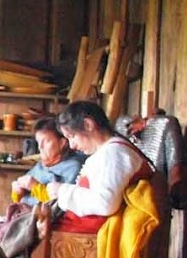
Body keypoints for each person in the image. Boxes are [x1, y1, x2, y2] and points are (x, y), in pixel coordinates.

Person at [0, 117, 85, 258]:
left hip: (41, 221)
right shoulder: (40, 166)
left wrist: (35, 187)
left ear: (63, 143)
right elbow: (18, 200)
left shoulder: (73, 167)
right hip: (21, 214)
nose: (40, 147)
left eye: (46, 141)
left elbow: (62, 203)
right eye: (38, 142)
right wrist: (17, 191)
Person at [46, 100, 149, 233]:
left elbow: (105, 203)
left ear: (88, 124)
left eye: (72, 136)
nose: (72, 145)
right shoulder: (107, 151)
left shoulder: (114, 153)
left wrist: (62, 191)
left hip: (91, 233)